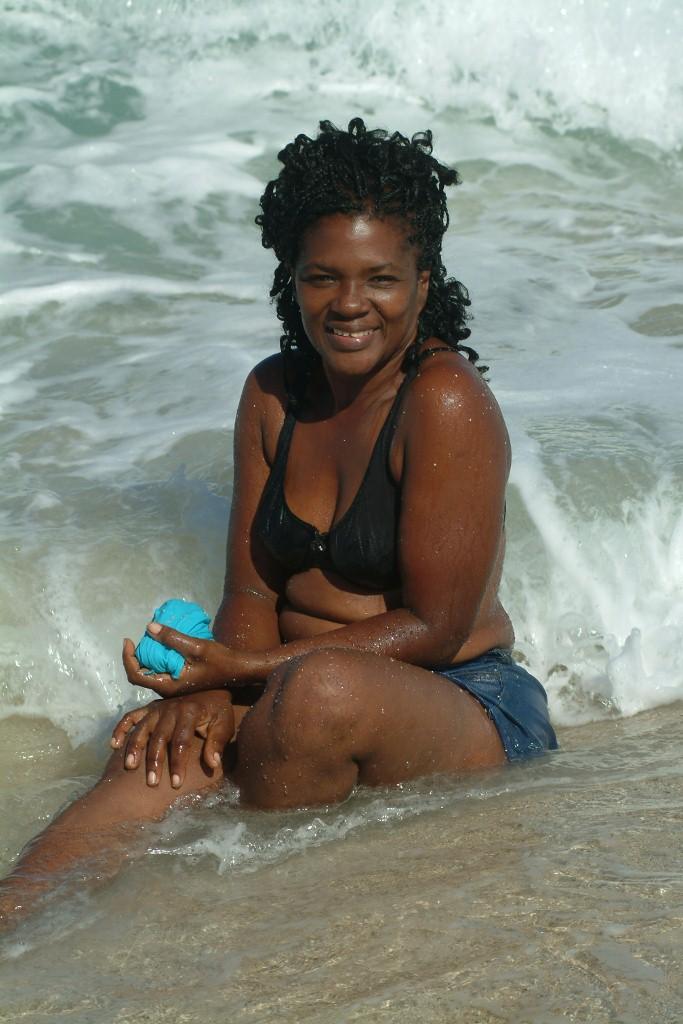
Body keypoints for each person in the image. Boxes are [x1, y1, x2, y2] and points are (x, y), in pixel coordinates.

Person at [0, 119, 557, 921]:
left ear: (422, 282)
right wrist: (213, 687)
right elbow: (252, 592)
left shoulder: (443, 401)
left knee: (314, 697)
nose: (350, 304)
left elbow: (436, 628)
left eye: (380, 279)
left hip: (460, 701)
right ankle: (17, 920)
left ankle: (266, 927)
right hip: (284, 688)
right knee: (153, 749)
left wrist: (241, 671)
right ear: (290, 279)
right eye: (322, 277)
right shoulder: (272, 395)